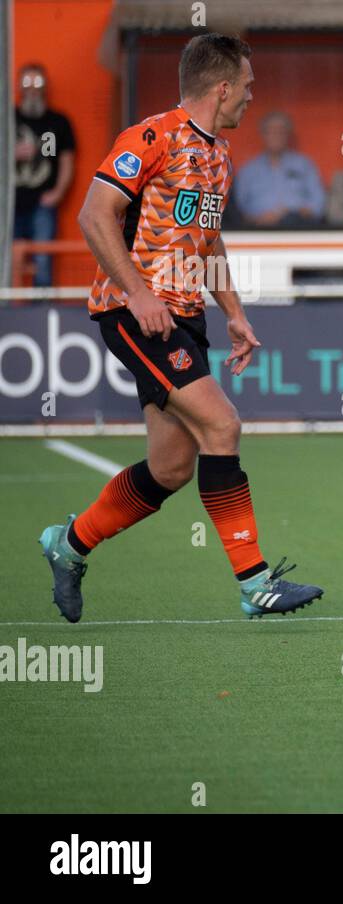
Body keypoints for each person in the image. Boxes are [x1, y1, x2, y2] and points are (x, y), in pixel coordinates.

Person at [38, 33, 323, 622]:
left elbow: (208, 239)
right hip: (134, 313)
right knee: (223, 424)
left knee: (170, 468)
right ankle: (255, 582)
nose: (251, 96)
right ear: (222, 87)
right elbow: (95, 214)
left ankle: (67, 546)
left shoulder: (219, 155)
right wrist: (139, 294)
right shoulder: (150, 137)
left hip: (184, 317)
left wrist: (235, 313)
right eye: (247, 86)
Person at [13, 63, 77, 288]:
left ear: (45, 87)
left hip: (42, 204)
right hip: (9, 204)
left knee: (43, 259)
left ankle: (41, 309)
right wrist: (10, 153)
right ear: (18, 86)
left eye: (37, 83)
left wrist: (57, 193)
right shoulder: (7, 119)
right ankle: (7, 308)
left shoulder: (58, 122)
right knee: (8, 258)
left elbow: (67, 161)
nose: (31, 88)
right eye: (26, 83)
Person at [233, 110, 325, 226]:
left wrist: (297, 213)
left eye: (281, 131)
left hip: (299, 230)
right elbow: (237, 210)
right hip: (257, 232)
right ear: (262, 134)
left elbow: (318, 203)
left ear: (288, 134)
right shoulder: (248, 170)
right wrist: (258, 219)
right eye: (271, 131)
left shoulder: (305, 165)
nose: (276, 135)